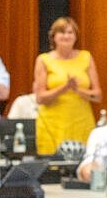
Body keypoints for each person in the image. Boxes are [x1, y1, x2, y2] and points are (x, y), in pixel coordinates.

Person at [32, 15, 100, 153]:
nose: (66, 36)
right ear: (54, 36)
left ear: (75, 36)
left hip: (81, 120)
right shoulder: (43, 60)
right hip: (53, 122)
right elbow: (40, 98)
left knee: (84, 159)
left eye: (70, 32)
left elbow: (98, 96)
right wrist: (64, 87)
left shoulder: (86, 57)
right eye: (62, 32)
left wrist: (77, 89)